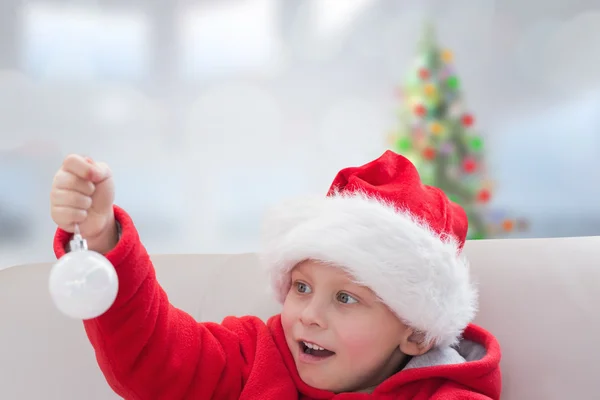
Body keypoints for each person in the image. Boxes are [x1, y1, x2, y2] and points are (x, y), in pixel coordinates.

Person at [49, 150, 501, 399]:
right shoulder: (256, 356)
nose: (309, 315)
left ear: (418, 334)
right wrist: (103, 237)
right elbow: (155, 356)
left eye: (345, 298)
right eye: (302, 287)